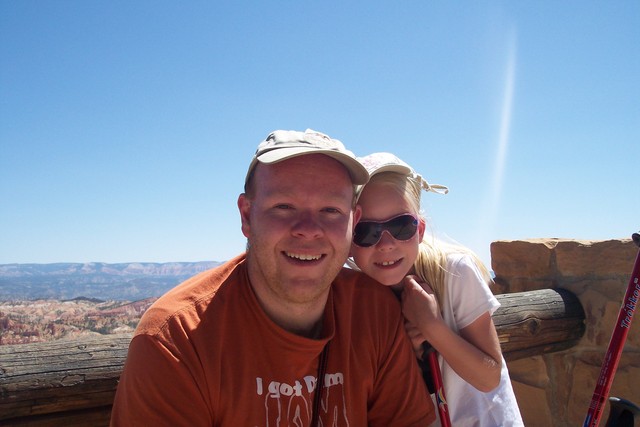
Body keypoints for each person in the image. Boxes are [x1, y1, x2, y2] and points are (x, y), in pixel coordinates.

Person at [110, 130, 436, 426]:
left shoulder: (373, 311)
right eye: (283, 206)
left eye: (330, 210)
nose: (308, 229)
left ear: (354, 220)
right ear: (247, 216)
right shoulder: (177, 339)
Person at [350, 152, 524, 426]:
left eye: (401, 226)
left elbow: (489, 377)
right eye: (367, 231)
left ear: (419, 230)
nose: (385, 244)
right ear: (349, 238)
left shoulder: (454, 273)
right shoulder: (352, 294)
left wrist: (431, 326)